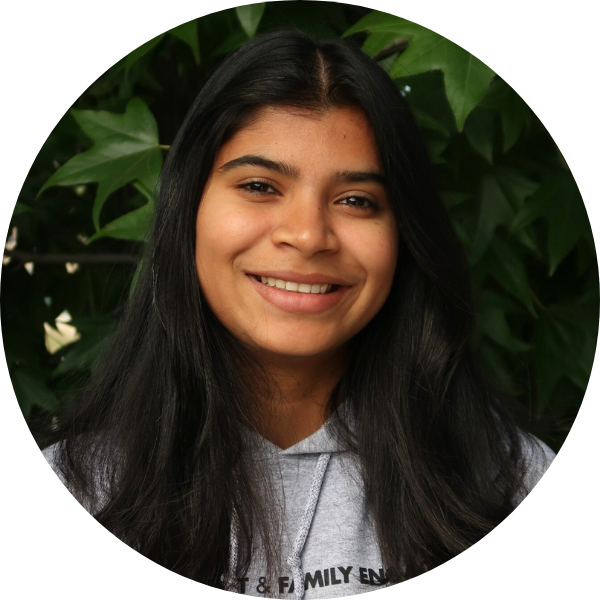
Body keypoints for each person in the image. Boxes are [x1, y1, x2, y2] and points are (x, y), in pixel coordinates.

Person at [37, 29, 555, 597]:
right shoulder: (81, 486)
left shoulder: (508, 483)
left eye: (357, 200)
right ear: (187, 210)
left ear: (406, 235)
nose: (308, 236)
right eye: (260, 185)